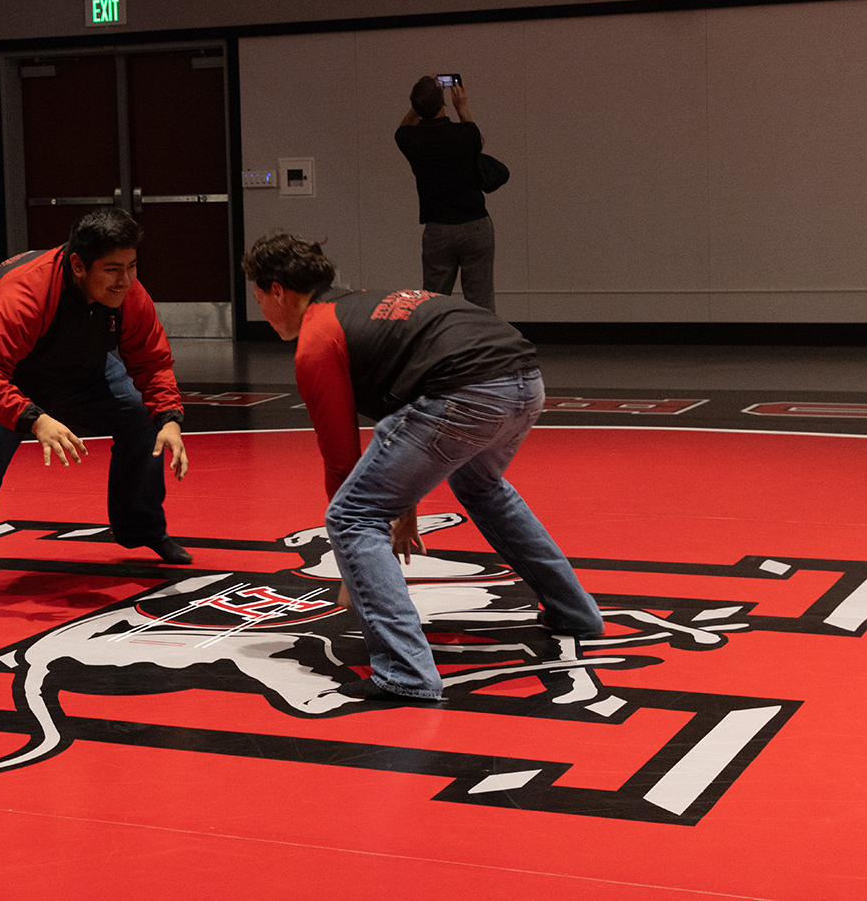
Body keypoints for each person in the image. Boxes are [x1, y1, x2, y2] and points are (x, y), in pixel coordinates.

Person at [241, 232, 602, 701]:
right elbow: (415, 404)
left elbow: (341, 459)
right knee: (483, 487)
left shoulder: (317, 337)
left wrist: (355, 566)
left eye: (258, 299)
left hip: (468, 392)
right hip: (525, 383)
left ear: (277, 291)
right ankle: (575, 612)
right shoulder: (367, 305)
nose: (262, 314)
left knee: (351, 517)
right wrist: (402, 498)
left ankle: (406, 673)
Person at [0, 207, 191, 607]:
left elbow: (151, 362)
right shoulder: (26, 292)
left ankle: (142, 528)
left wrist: (169, 417)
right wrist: (35, 419)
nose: (126, 280)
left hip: (77, 364)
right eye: (114, 269)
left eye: (132, 266)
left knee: (140, 416)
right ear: (78, 265)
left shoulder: (128, 294)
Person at [394, 74, 495, 311]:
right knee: (480, 301)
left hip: (437, 229)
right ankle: (481, 345)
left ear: (415, 106)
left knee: (433, 302)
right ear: (444, 103)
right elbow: (478, 140)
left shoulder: (409, 139)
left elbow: (402, 128)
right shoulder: (464, 134)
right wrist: (462, 107)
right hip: (475, 223)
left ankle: (435, 345)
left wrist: (417, 106)